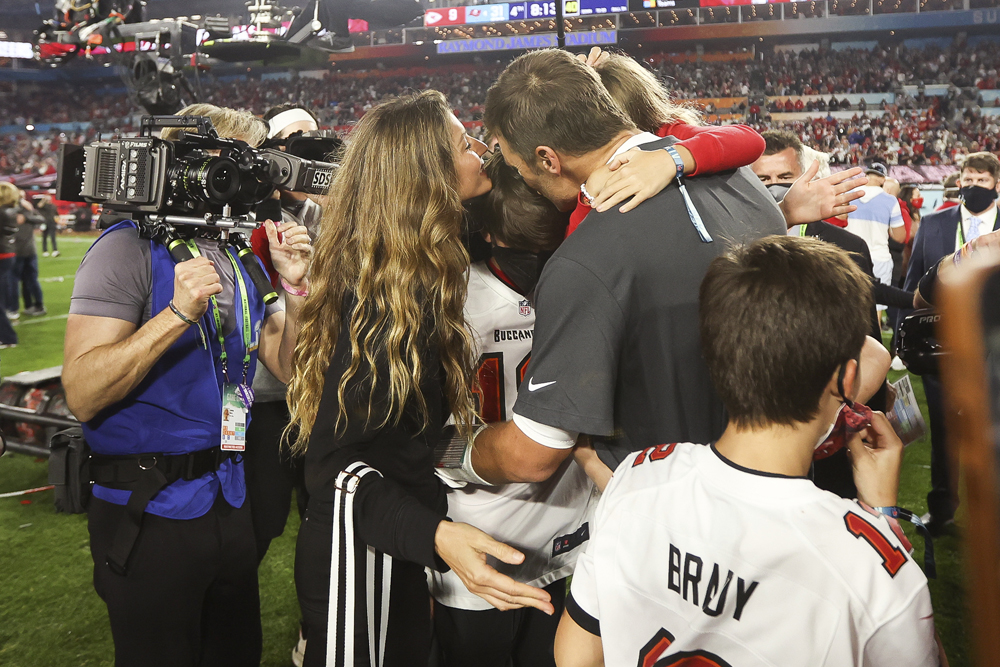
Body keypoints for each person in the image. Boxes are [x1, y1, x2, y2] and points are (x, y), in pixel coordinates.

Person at [554, 235, 943, 667]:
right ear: (846, 381)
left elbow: (576, 651)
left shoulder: (637, 476)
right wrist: (882, 518)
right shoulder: (868, 564)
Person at [286, 90, 554, 667]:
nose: (479, 150)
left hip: (403, 525)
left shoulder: (420, 259)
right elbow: (332, 466)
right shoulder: (381, 297)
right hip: (358, 549)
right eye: (464, 144)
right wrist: (438, 535)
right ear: (427, 172)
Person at [62, 103, 312, 667]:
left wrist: (295, 291)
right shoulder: (124, 248)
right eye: (236, 159)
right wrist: (175, 313)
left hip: (227, 490)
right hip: (149, 505)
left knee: (235, 652)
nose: (249, 177)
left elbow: (290, 368)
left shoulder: (234, 248)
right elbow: (81, 390)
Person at [471, 48, 785, 486]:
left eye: (517, 164)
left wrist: (457, 451)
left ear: (547, 158)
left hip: (668, 520)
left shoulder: (585, 260)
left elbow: (533, 455)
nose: (522, 177)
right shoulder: (743, 179)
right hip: (778, 485)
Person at [430, 152, 595, 667]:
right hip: (521, 517)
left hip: (502, 514)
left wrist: (438, 451)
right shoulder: (584, 281)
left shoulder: (447, 292)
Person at [903, 151, 1000, 535]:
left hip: (993, 345)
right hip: (942, 346)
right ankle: (942, 510)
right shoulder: (934, 222)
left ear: (996, 184)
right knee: (945, 431)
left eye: (982, 180)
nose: (974, 186)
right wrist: (905, 339)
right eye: (968, 178)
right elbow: (914, 285)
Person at [845, 163, 907, 289]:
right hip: (880, 258)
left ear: (866, 175)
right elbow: (900, 237)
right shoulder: (890, 201)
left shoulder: (848, 195)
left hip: (851, 257)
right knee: (879, 303)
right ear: (883, 179)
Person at [13, 193, 45, 315]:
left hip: (21, 251)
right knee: (27, 280)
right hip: (24, 250)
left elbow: (40, 219)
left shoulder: (24, 211)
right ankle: (30, 305)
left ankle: (36, 305)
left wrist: (26, 216)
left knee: (26, 280)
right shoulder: (23, 210)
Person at [0, 182, 21, 322]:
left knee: (4, 284)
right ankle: (11, 308)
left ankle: (7, 310)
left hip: (2, 251)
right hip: (9, 250)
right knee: (8, 282)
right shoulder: (13, 209)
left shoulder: (2, 211)